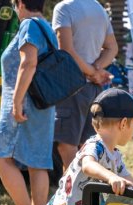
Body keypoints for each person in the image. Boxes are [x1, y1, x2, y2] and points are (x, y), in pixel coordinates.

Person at [0, 0, 56, 205]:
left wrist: (16, 102)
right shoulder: (46, 26)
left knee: (0, 156)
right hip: (44, 104)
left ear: (19, 3)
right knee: (37, 162)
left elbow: (28, 63)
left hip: (24, 103)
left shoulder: (28, 25)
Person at [52, 0, 118, 169]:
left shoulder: (64, 8)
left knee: (67, 145)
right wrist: (97, 68)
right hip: (94, 89)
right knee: (87, 146)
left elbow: (66, 51)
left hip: (71, 87)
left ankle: (73, 191)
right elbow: (112, 48)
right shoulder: (99, 9)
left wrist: (91, 70)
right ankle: (86, 190)